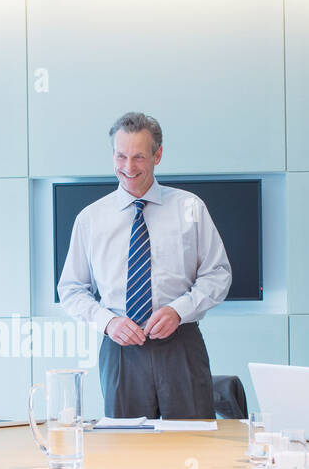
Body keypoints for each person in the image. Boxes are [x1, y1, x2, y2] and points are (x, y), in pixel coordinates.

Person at [57, 112, 232, 419]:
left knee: (192, 444)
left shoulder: (190, 208)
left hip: (181, 345)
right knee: (126, 452)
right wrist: (108, 322)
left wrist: (180, 309)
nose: (128, 167)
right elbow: (71, 289)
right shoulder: (90, 219)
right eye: (121, 155)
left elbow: (217, 274)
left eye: (138, 157)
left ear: (158, 155)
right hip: (120, 350)